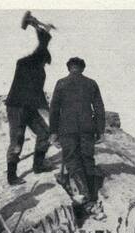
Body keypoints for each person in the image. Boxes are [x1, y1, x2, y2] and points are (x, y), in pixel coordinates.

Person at [48, 57, 106, 215]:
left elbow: (54, 109)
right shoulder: (91, 83)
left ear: (69, 68)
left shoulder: (61, 83)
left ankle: (85, 197)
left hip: (67, 129)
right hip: (88, 128)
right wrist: (101, 130)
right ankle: (92, 196)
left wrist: (53, 132)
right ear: (82, 68)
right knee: (88, 159)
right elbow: (99, 108)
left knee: (72, 160)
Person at [5, 26, 54, 185]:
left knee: (44, 133)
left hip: (29, 108)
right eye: (44, 62)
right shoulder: (24, 64)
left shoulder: (40, 72)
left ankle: (38, 165)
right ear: (40, 58)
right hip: (16, 107)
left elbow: (39, 95)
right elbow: (40, 48)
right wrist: (43, 35)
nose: (44, 65)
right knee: (17, 140)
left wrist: (49, 112)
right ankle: (12, 176)